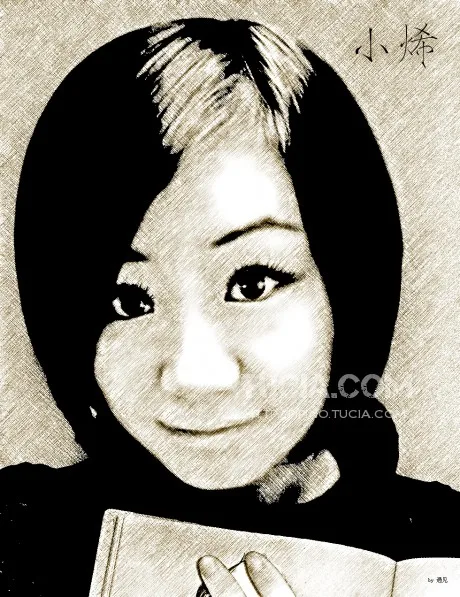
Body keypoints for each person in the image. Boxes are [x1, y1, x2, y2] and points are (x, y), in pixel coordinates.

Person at [1, 17, 459, 597]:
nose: (197, 374)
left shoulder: (441, 543)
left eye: (252, 283)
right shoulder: (19, 534)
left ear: (348, 288)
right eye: (129, 300)